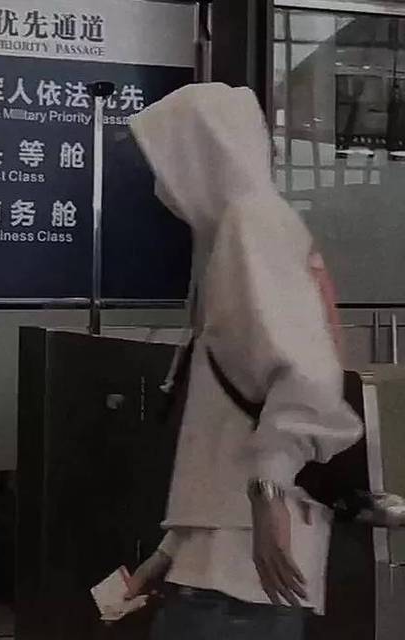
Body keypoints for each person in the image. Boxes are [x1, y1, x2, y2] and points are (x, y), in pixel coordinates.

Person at [123, 83, 364, 639]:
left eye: (168, 158)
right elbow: (230, 416)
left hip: (240, 571)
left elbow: (305, 373)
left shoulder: (250, 225)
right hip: (222, 560)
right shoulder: (246, 229)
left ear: (201, 152)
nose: (162, 183)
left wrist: (269, 489)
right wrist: (171, 550)